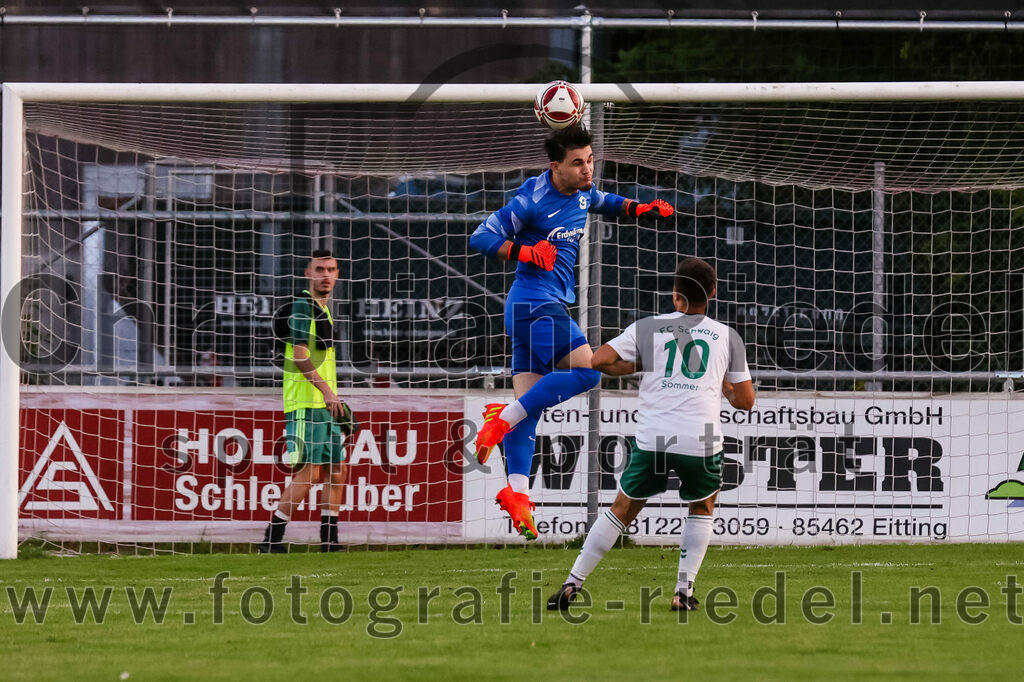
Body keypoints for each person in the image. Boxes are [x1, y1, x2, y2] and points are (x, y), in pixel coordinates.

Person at [469, 125, 676, 540]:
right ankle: (499, 417)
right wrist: (526, 250)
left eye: (590, 160)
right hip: (536, 304)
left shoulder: (583, 191)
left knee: (529, 409)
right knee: (590, 371)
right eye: (578, 163)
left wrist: (641, 209)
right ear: (555, 167)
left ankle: (518, 494)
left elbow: (606, 202)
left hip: (529, 309)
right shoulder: (531, 199)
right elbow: (481, 236)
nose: (587, 170)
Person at [546, 257, 755, 611]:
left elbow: (599, 361)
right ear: (714, 293)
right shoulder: (727, 337)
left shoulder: (649, 328)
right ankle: (683, 592)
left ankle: (572, 584)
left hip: (655, 438)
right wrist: (718, 380)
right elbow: (745, 401)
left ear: (675, 297)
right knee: (702, 506)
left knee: (622, 508)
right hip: (700, 439)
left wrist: (643, 363)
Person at [258, 249, 356, 554]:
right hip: (305, 402)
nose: (326, 275)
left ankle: (329, 541)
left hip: (325, 404)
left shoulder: (323, 309)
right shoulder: (302, 306)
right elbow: (300, 356)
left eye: (331, 269)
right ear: (307, 274)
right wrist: (327, 392)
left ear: (337, 274)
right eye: (319, 269)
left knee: (337, 470)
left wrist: (332, 397)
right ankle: (271, 540)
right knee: (310, 472)